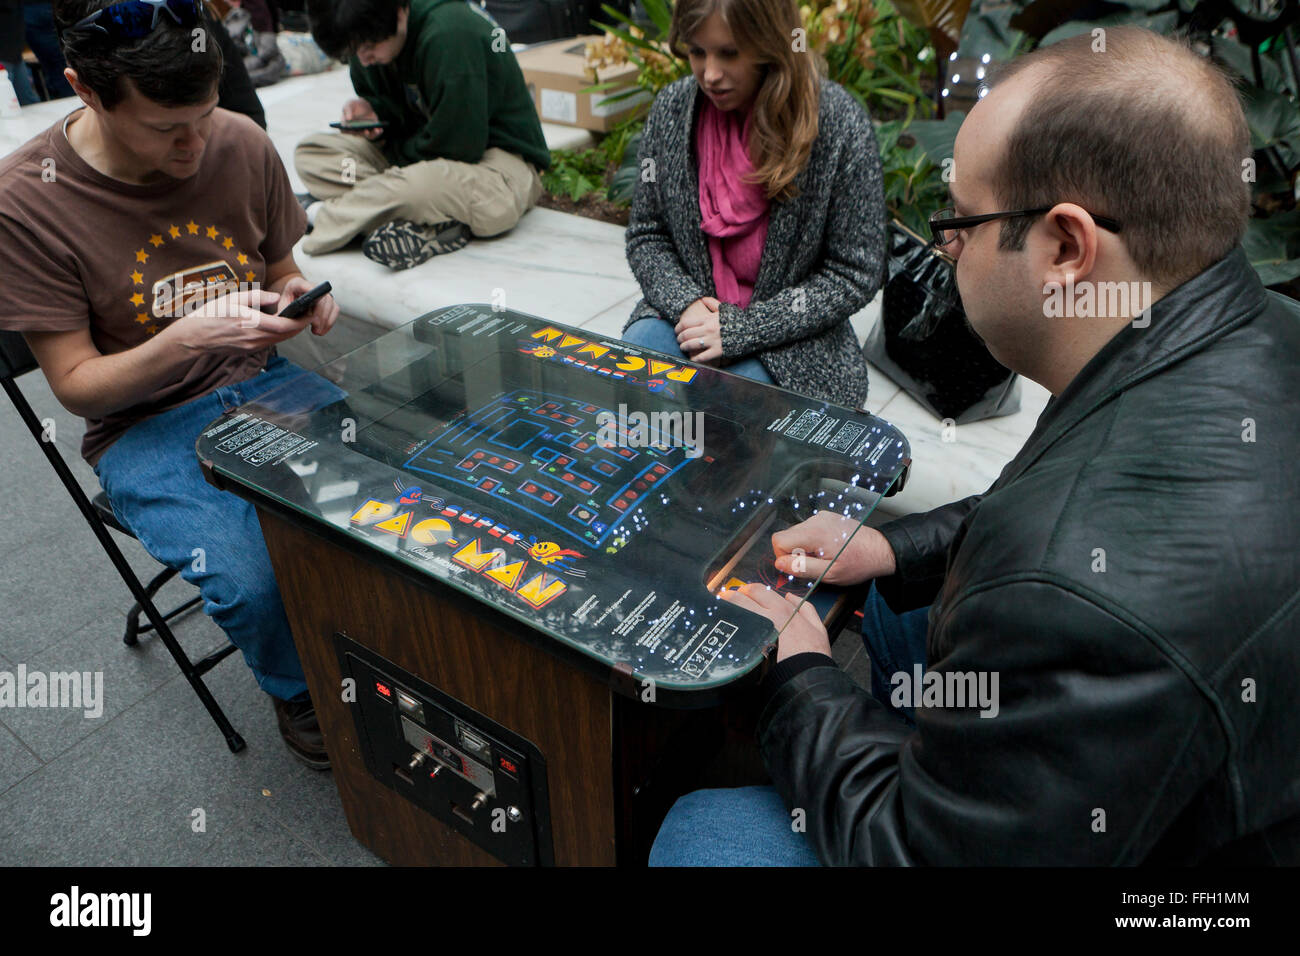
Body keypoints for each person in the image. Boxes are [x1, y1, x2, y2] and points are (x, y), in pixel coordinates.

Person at [650, 26, 1300, 866]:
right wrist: (891, 545)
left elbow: (920, 852)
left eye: (959, 220)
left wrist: (803, 681)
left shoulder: (1070, 596)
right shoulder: (1247, 328)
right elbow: (1053, 512)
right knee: (884, 603)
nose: (944, 245)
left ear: (1065, 248)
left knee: (701, 838)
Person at [0, 0, 341, 769]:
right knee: (253, 582)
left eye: (205, 114)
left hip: (262, 379)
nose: (194, 146)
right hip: (140, 425)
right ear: (85, 90)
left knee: (400, 506)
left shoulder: (239, 142)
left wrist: (296, 297)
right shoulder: (26, 199)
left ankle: (380, 649)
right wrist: (185, 337)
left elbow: (282, 268)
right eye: (165, 129)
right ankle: (299, 687)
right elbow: (79, 389)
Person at [623, 0, 884, 399]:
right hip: (687, 317)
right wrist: (686, 303)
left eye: (729, 53)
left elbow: (854, 272)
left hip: (792, 336)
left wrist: (744, 330)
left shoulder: (838, 123)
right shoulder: (672, 111)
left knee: (732, 410)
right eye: (697, 52)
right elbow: (647, 234)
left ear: (769, 45)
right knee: (630, 376)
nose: (710, 74)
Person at [294, 0, 551, 270]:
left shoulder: (450, 33)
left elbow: (459, 147)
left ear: (400, 10)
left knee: (415, 186)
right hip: (421, 159)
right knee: (312, 154)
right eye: (350, 53)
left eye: (369, 46)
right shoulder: (367, 35)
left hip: (495, 168)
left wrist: (396, 172)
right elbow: (403, 116)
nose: (363, 59)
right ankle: (414, 218)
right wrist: (376, 116)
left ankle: (320, 217)